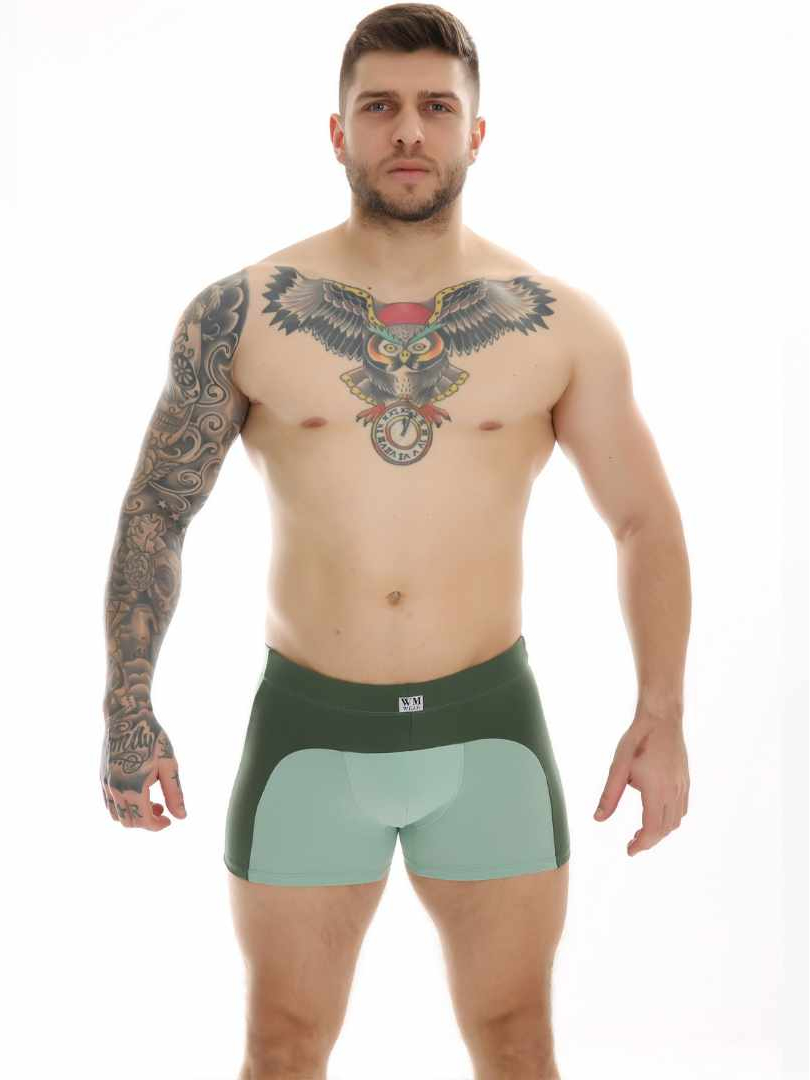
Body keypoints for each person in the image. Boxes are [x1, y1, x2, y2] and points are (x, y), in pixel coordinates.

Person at [99, 4, 691, 1078]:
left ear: (476, 132)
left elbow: (644, 520)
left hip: (489, 733)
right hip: (309, 736)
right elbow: (157, 510)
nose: (408, 130)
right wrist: (126, 711)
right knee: (283, 1047)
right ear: (338, 131)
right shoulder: (242, 313)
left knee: (517, 1043)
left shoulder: (560, 324)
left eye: (435, 108)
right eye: (379, 107)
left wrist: (662, 712)